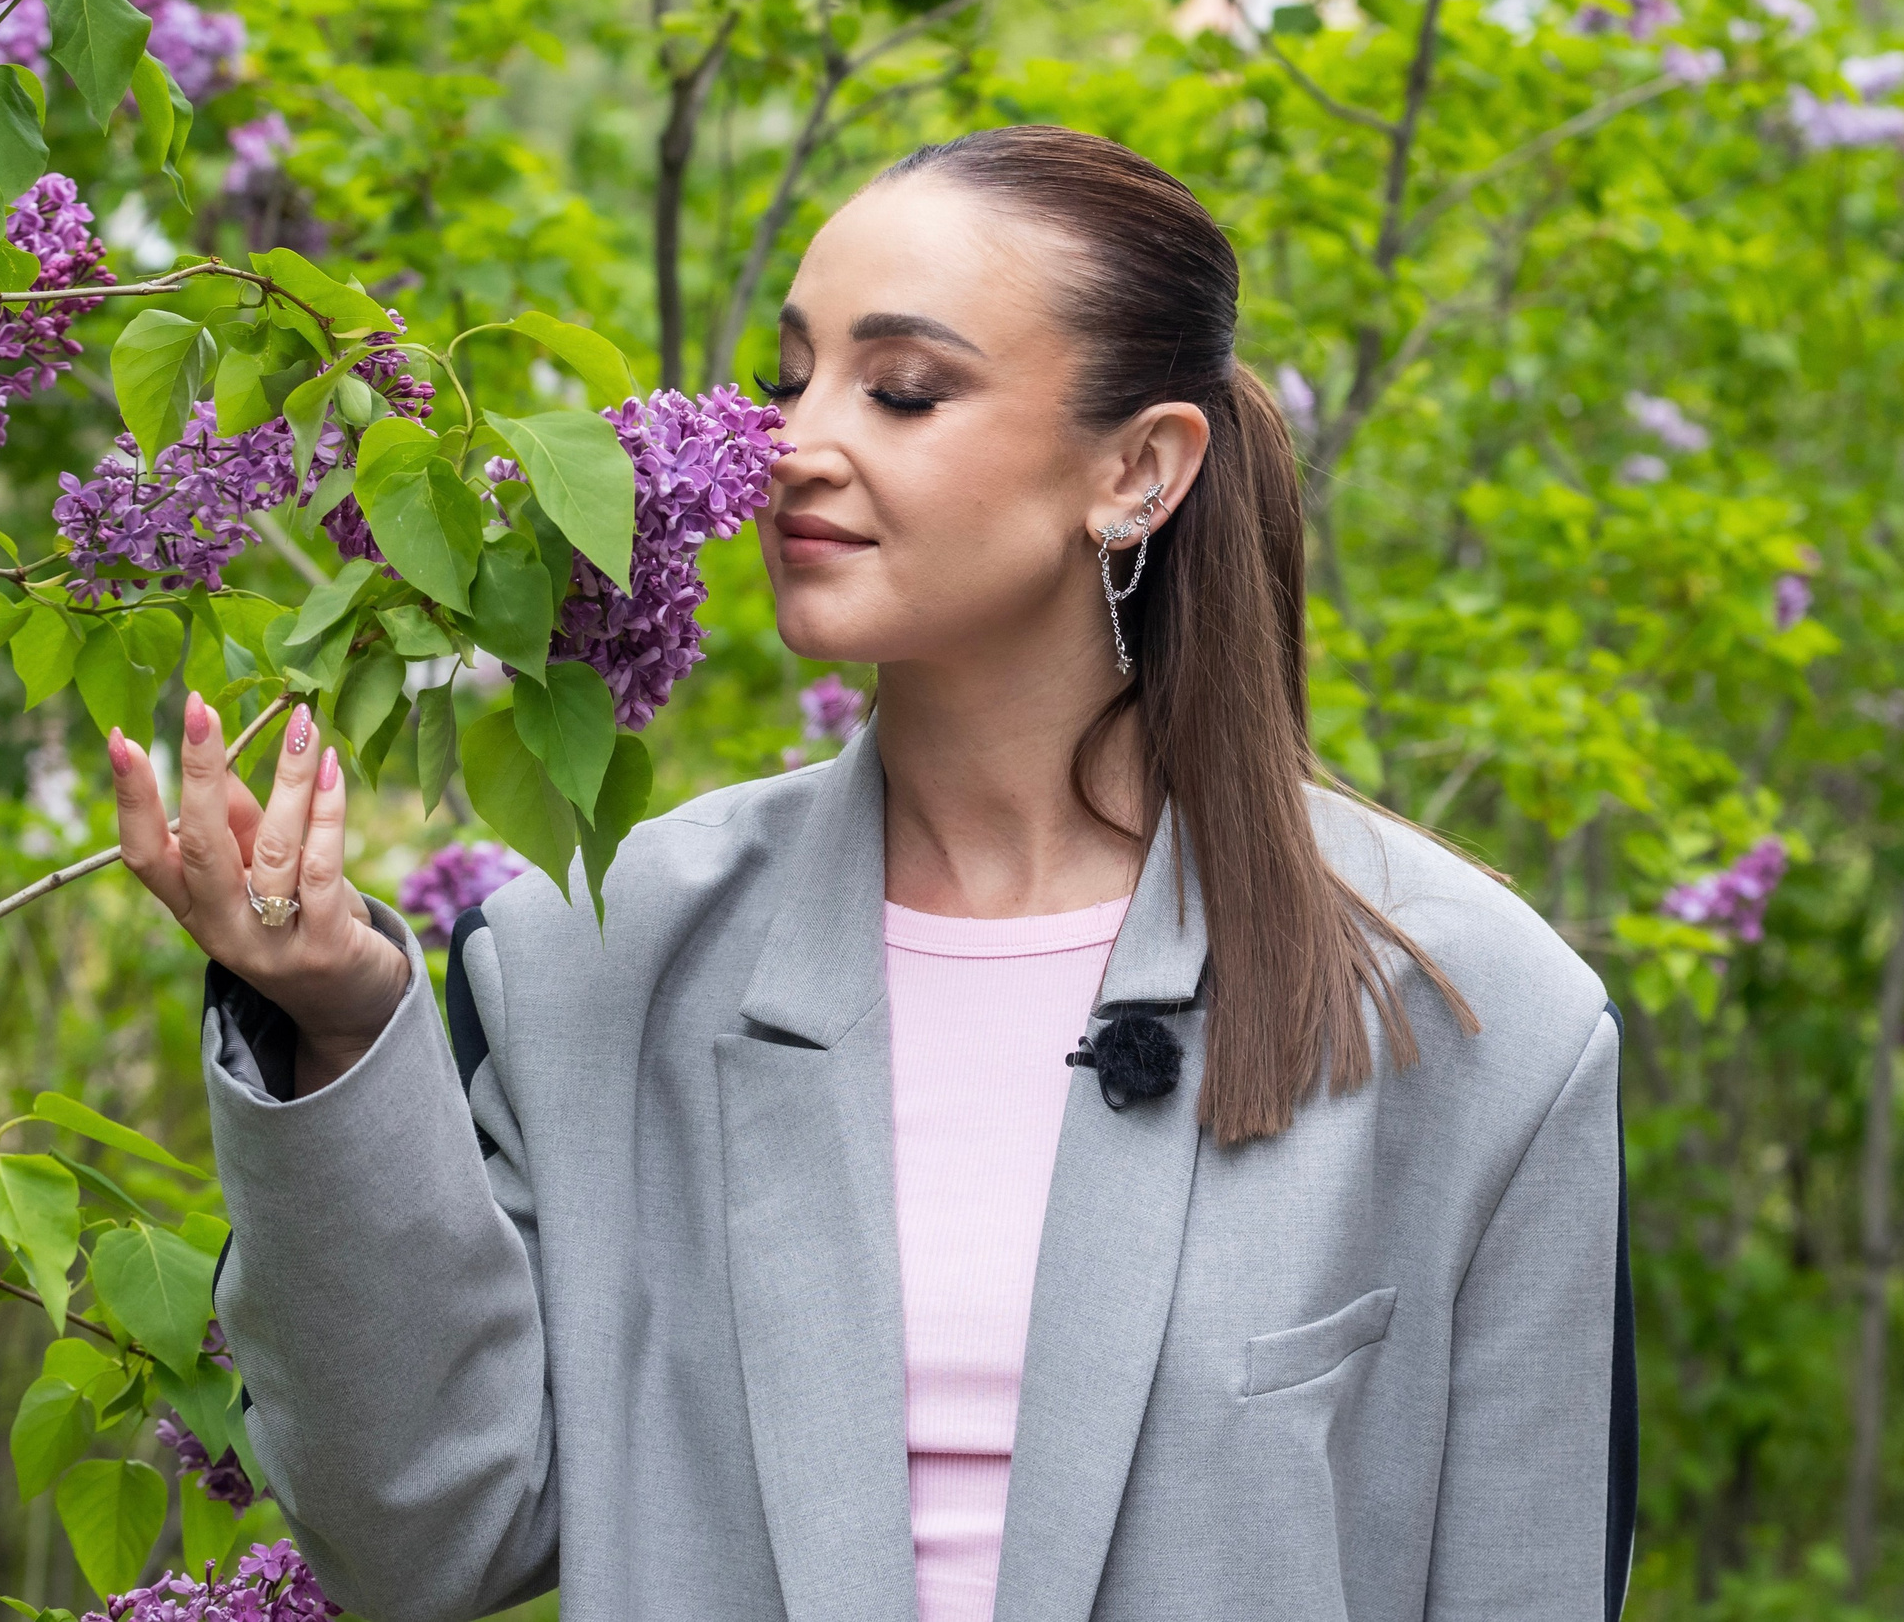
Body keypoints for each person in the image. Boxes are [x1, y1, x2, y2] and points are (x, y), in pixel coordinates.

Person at [108, 124, 1637, 1622]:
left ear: (1137, 470)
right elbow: (421, 1536)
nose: (794, 445)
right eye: (790, 378)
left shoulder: (1473, 1013)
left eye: (903, 389)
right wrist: (339, 1021)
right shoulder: (595, 963)